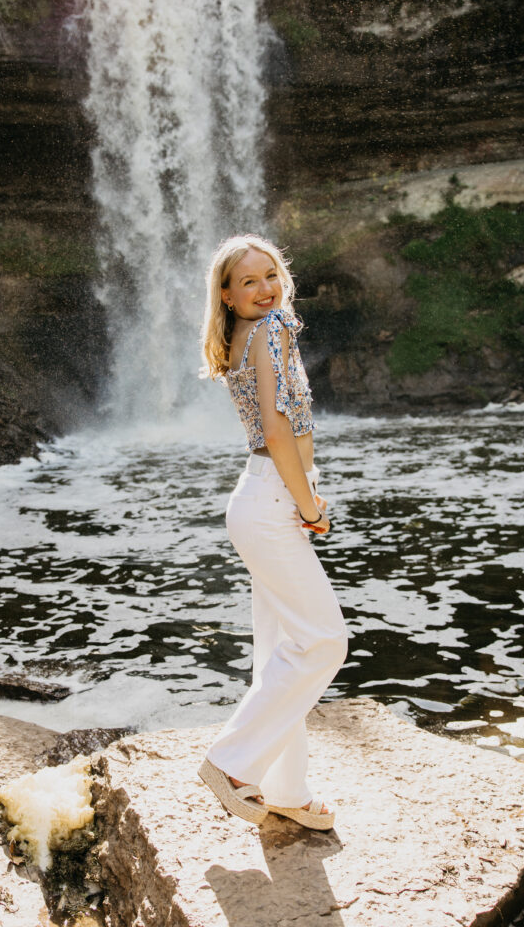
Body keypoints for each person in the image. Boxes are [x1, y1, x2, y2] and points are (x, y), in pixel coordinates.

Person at [197, 233, 348, 830]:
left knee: (279, 650)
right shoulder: (274, 329)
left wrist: (300, 492)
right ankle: (232, 764)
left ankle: (287, 789)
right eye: (249, 282)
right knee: (324, 640)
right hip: (274, 499)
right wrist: (309, 501)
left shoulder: (240, 334)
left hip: (263, 496)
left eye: (271, 276)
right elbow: (280, 432)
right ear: (228, 295)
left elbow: (274, 437)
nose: (264, 289)